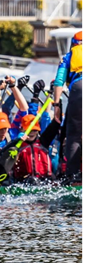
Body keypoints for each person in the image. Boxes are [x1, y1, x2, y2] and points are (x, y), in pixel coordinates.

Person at [52, 30, 83, 183]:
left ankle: (72, 176)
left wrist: (57, 105)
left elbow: (59, 81)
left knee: (74, 136)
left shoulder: (68, 56)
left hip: (78, 89)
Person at [12, 113, 54, 183]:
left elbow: (55, 124)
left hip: (44, 181)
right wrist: (15, 141)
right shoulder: (16, 145)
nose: (32, 133)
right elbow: (4, 155)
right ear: (22, 129)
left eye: (34, 130)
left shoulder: (44, 142)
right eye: (29, 130)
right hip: (22, 182)